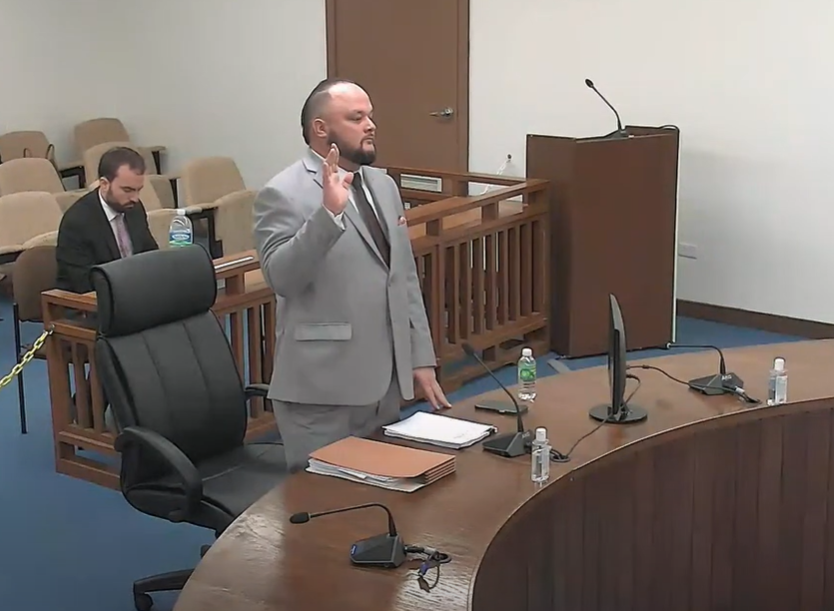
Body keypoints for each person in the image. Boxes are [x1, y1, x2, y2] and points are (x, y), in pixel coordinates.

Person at [253, 78, 451, 471]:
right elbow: (282, 278)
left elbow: (402, 277)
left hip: (384, 384)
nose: (371, 124)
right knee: (323, 509)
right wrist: (327, 216)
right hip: (323, 390)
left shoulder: (383, 184)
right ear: (320, 129)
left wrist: (419, 357)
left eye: (370, 116)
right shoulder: (283, 192)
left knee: (383, 501)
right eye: (356, 117)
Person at [56, 146, 158, 294]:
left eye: (138, 190)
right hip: (89, 304)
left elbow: (149, 254)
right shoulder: (77, 222)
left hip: (132, 294)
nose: (135, 198)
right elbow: (83, 281)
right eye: (127, 190)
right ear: (104, 184)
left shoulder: (133, 208)